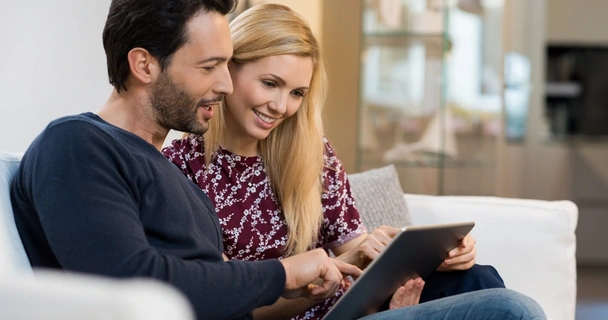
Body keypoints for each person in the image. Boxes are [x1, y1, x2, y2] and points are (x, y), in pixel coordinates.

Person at [10, 1, 545, 320]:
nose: (224, 84)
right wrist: (288, 272)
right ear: (144, 64)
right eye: (213, 67)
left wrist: (353, 269)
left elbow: (207, 282)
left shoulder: (157, 166)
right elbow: (132, 282)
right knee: (508, 311)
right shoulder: (79, 145)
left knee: (482, 283)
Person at [161, 3, 530, 320]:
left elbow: (355, 253)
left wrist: (404, 259)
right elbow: (225, 301)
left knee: (477, 278)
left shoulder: (310, 152)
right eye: (270, 83)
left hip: (356, 310)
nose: (281, 106)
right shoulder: (181, 167)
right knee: (508, 309)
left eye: (297, 93)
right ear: (229, 69)